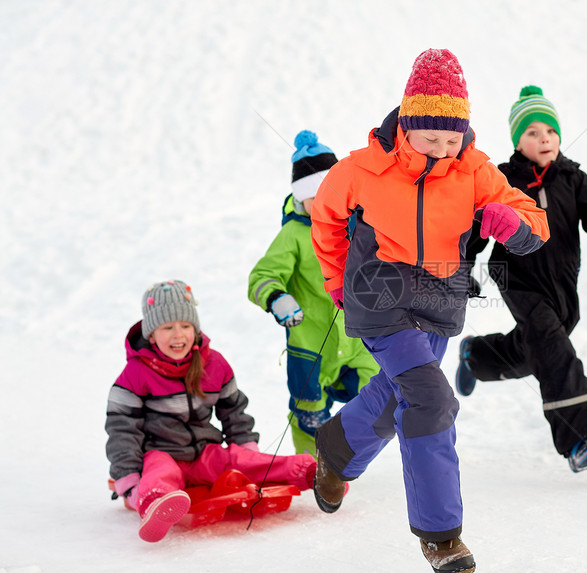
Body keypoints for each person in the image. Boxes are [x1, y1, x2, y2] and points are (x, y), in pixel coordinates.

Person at [309, 49, 550, 573]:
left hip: (439, 306)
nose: (443, 150)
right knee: (431, 401)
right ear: (406, 128)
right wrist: (336, 283)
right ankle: (441, 537)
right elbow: (325, 222)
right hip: (380, 299)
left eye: (452, 139)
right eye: (430, 139)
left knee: (401, 395)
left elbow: (533, 218)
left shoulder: (473, 169)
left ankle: (335, 448)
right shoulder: (362, 169)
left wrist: (513, 224)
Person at [457, 85, 587, 473]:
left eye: (549, 131)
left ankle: (477, 357)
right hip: (518, 277)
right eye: (532, 133)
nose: (543, 138)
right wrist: (462, 270)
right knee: (552, 347)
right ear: (518, 140)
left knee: (540, 347)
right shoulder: (502, 179)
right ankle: (581, 436)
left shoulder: (573, 177)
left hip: (563, 282)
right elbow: (476, 229)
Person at [105, 280, 317, 543]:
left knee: (242, 462)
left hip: (205, 452)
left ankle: (310, 472)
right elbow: (122, 428)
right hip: (161, 453)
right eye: (167, 327)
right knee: (159, 473)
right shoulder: (136, 374)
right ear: (151, 334)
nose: (177, 335)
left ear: (195, 329)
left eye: (185, 326)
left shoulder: (213, 364)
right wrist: (128, 478)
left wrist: (245, 451)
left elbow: (234, 412)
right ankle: (157, 503)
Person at [248, 130, 379, 456]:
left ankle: (348, 452)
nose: (322, 203)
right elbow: (262, 275)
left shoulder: (359, 225)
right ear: (301, 198)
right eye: (313, 196)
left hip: (357, 339)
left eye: (329, 193)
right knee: (309, 409)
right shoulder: (293, 234)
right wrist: (277, 297)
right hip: (310, 343)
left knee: (377, 394)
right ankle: (312, 464)